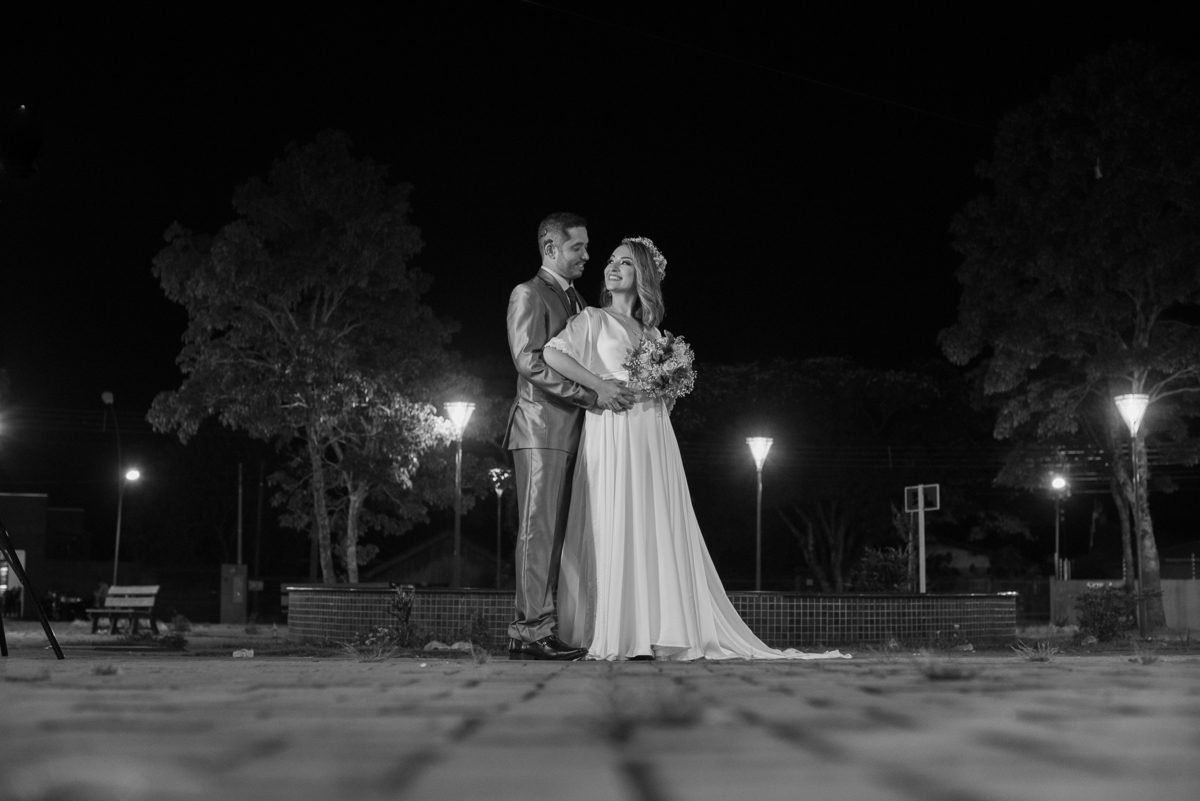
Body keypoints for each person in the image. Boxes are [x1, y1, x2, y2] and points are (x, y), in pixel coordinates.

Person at [544, 237, 850, 661]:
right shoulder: (593, 319)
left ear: (643, 276)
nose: (612, 267)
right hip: (613, 426)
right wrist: (599, 385)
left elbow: (665, 393)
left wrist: (669, 384)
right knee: (617, 516)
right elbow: (552, 354)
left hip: (654, 433)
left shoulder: (655, 334)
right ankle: (619, 630)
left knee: (654, 521)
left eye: (625, 263)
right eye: (611, 261)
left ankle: (657, 629)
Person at [503, 213, 636, 661]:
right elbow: (529, 361)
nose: (587, 255)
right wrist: (590, 395)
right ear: (550, 248)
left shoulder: (580, 301)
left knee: (563, 538)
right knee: (537, 533)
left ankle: (550, 628)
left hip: (580, 433)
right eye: (577, 247)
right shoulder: (528, 293)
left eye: (586, 246)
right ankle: (529, 633)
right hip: (540, 428)